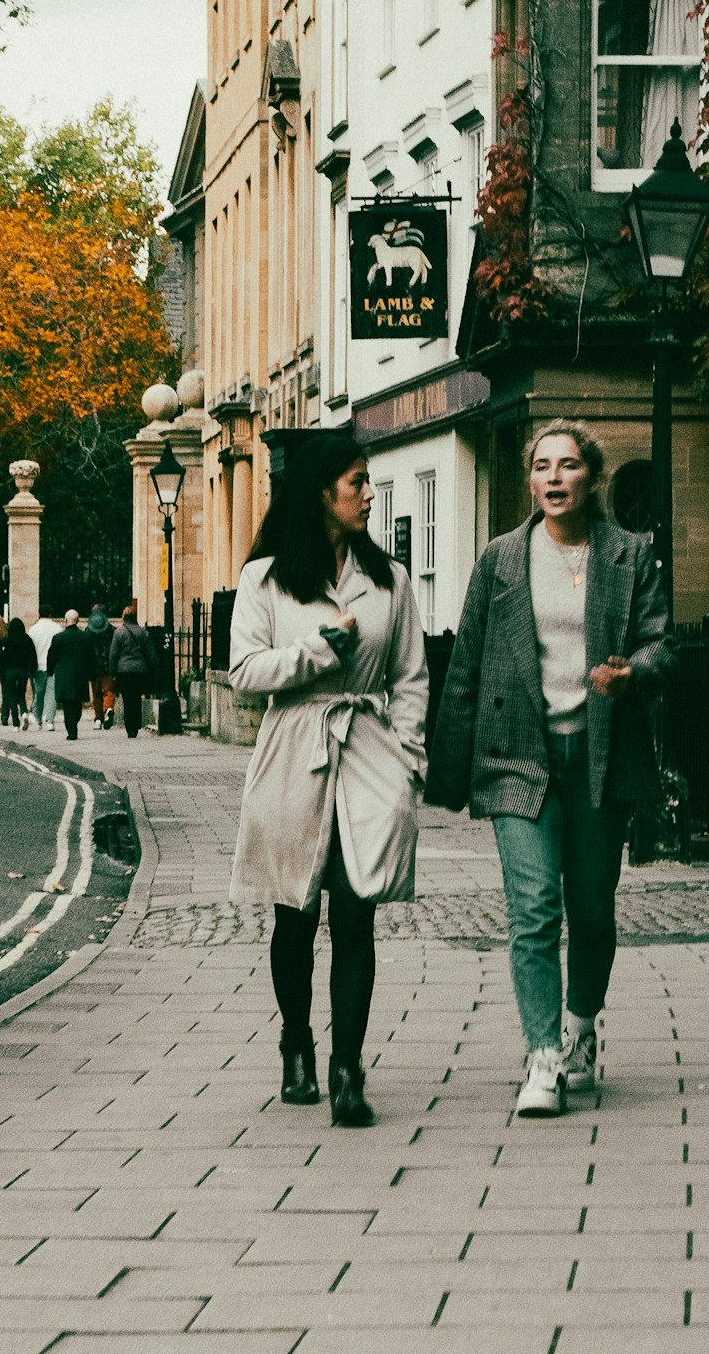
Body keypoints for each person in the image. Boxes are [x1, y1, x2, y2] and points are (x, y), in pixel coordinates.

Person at [428, 419, 674, 1120]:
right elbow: (467, 664)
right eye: (543, 466)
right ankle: (542, 1057)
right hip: (517, 757)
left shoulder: (628, 555)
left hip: (598, 758)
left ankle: (579, 1026)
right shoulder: (502, 558)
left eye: (569, 466)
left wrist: (633, 672)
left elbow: (664, 643)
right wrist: (447, 770)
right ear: (531, 480)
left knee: (592, 913)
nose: (555, 477)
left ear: (592, 478)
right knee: (534, 909)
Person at [227, 428, 426, 1128]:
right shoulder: (266, 578)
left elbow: (410, 676)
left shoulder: (391, 579)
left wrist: (409, 759)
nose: (369, 493)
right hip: (294, 744)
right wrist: (315, 651)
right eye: (356, 483)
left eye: (368, 481)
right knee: (294, 911)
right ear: (321, 492)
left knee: (356, 911)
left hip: (368, 747)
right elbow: (246, 671)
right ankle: (295, 1044)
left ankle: (348, 1067)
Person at [47, 610, 98, 741]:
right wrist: (92, 674)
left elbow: (51, 657)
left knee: (67, 705)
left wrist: (50, 671)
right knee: (77, 704)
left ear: (65, 620)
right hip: (80, 675)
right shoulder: (85, 637)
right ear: (78, 620)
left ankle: (71, 730)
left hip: (64, 676)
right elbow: (91, 657)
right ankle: (73, 728)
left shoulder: (58, 638)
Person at [109, 605, 154, 738]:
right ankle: (136, 723)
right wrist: (153, 668)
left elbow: (113, 654)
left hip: (124, 671)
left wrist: (112, 673)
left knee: (127, 699)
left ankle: (130, 727)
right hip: (140, 670)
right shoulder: (143, 632)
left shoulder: (118, 632)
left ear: (124, 617)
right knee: (137, 698)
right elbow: (150, 653)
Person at [26, 614, 62, 731]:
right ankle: (50, 721)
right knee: (52, 693)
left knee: (38, 694)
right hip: (53, 666)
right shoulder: (57, 628)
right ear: (51, 614)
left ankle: (38, 719)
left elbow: (30, 650)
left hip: (38, 667)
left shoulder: (33, 630)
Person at [0, 616, 36, 728]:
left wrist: (2, 673)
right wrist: (32, 670)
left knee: (11, 696)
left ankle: (15, 723)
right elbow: (32, 655)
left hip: (9, 671)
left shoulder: (7, 640)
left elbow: (2, 658)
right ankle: (24, 713)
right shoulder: (27, 639)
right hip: (23, 671)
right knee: (21, 694)